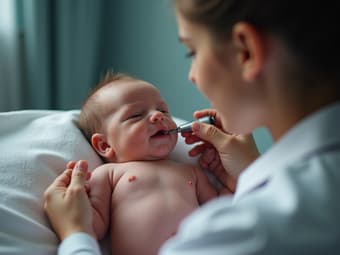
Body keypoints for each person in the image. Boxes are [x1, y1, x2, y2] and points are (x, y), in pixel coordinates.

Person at [44, 0, 340, 254]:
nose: (192, 76)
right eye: (135, 116)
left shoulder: (238, 232)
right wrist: (250, 173)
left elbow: (225, 209)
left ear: (246, 50)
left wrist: (74, 233)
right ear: (104, 145)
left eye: (192, 51)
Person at [47, 71, 219, 255]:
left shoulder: (191, 171)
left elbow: (220, 212)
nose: (157, 116)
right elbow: (94, 227)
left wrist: (227, 171)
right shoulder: (109, 174)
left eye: (162, 110)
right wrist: (74, 198)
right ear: (105, 145)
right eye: (136, 115)